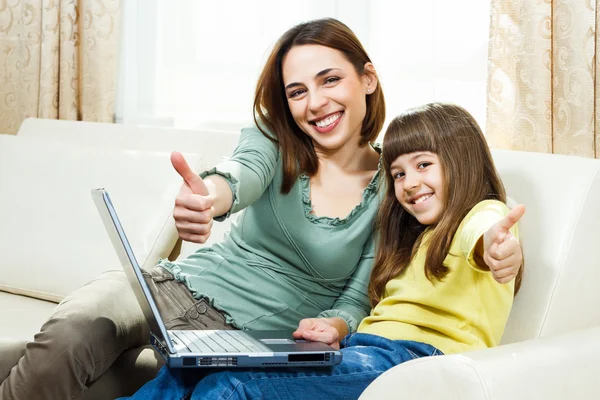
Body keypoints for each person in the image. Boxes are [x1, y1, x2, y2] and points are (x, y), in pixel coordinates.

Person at [0, 18, 522, 400]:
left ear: (367, 79)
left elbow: (365, 286)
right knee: (70, 333)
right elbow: (240, 175)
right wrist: (209, 197)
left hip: (259, 333)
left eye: (329, 80)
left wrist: (339, 326)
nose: (314, 103)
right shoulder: (276, 139)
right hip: (176, 288)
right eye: (297, 91)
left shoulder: (397, 181)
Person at [122, 102, 526, 400]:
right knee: (187, 372)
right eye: (399, 173)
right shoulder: (411, 234)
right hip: (362, 349)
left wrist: (497, 247)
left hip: (418, 359)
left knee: (234, 386)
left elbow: (486, 233)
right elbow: (371, 307)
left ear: (462, 163)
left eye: (423, 165)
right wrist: (337, 327)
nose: (407, 183)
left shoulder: (481, 214)